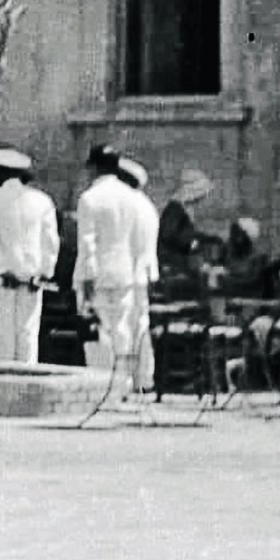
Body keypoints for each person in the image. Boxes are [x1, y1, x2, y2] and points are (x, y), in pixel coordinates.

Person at [75, 145, 154, 396]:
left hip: (98, 274)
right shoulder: (131, 198)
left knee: (101, 331)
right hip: (125, 273)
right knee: (122, 328)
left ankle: (103, 386)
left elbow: (88, 243)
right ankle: (124, 384)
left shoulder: (90, 198)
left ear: (95, 167)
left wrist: (87, 278)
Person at [0, 148, 60, 366]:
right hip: (31, 280)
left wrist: (0, 268)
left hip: (2, 279)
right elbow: (50, 242)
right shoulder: (42, 201)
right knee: (28, 335)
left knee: (2, 336)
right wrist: (45, 272)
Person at [118, 158, 161, 390]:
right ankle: (143, 378)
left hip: (126, 274)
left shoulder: (127, 205)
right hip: (141, 275)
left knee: (122, 329)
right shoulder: (147, 206)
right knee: (140, 327)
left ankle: (123, 380)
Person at [158, 168, 215, 289]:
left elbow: (187, 232)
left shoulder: (183, 208)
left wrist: (208, 239)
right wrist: (191, 243)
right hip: (174, 263)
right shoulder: (175, 209)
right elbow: (168, 234)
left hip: (181, 261)